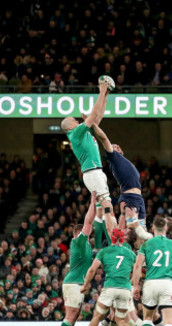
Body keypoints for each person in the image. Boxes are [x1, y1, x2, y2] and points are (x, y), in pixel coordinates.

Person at [79, 229, 146, 326]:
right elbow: (138, 269)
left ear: (112, 239)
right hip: (125, 289)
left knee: (97, 317)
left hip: (110, 287)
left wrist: (85, 285)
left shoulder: (104, 252)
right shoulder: (131, 254)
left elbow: (92, 270)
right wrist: (135, 285)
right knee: (121, 319)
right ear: (122, 240)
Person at [60, 80, 115, 234]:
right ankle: (116, 237)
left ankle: (101, 241)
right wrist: (101, 91)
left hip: (94, 172)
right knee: (107, 206)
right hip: (93, 172)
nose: (77, 121)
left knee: (101, 210)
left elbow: (98, 117)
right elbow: (92, 116)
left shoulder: (82, 133)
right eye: (74, 120)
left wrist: (105, 95)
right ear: (70, 126)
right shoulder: (75, 133)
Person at [88, 122, 150, 241]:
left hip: (137, 197)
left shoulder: (122, 161)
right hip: (130, 197)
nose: (118, 147)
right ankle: (117, 242)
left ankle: (122, 241)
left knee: (141, 230)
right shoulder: (114, 159)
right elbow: (104, 139)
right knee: (133, 229)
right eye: (114, 146)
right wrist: (94, 126)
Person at [54, 192, 95, 326]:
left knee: (74, 314)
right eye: (86, 232)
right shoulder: (78, 242)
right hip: (73, 283)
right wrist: (93, 201)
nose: (89, 233)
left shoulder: (87, 246)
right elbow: (89, 221)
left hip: (77, 283)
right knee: (71, 314)